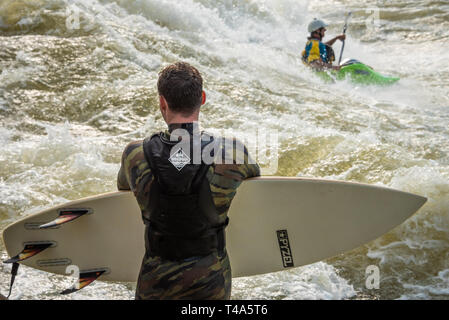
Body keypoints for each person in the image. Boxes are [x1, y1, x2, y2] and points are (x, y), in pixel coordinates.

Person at [117, 62, 260, 300]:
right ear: (202, 98)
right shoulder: (232, 153)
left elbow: (123, 187)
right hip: (211, 281)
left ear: (162, 102)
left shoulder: (134, 154)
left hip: (155, 282)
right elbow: (256, 179)